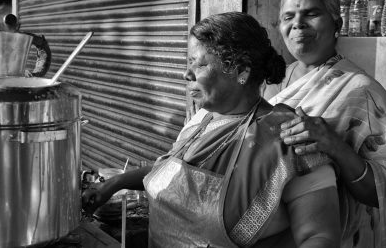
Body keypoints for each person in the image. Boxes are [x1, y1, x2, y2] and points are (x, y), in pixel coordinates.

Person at [83, 12, 341, 247]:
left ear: (240, 70)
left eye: (199, 64)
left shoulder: (290, 138)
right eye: (189, 62)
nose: (187, 74)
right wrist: (113, 185)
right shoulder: (202, 120)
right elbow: (170, 170)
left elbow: (320, 237)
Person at [261, 0, 386, 247]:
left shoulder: (362, 93)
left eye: (310, 14)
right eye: (288, 17)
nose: (298, 24)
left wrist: (335, 146)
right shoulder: (268, 83)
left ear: (337, 24)